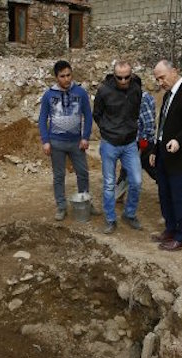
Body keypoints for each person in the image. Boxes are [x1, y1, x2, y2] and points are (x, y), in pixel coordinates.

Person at [149, 59, 182, 251]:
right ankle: (170, 229)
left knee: (178, 196)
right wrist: (155, 150)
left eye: (162, 77)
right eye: (157, 79)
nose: (160, 82)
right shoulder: (167, 96)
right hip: (164, 154)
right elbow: (162, 127)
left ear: (174, 72)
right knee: (164, 194)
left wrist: (178, 140)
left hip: (180, 156)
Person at [38, 60, 96, 221]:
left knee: (83, 173)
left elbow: (88, 116)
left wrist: (85, 137)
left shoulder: (81, 93)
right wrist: (45, 141)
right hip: (56, 142)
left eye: (69, 75)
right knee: (58, 176)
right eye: (62, 76)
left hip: (76, 142)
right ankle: (61, 206)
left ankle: (85, 202)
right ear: (56, 77)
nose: (66, 79)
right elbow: (42, 119)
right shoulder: (49, 95)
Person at [93, 60, 144, 234]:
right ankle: (110, 219)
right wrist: (108, 129)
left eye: (126, 77)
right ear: (113, 75)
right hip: (110, 144)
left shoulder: (136, 88)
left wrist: (130, 127)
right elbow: (97, 114)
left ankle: (129, 214)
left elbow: (136, 110)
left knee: (136, 181)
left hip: (130, 143)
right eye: (119, 78)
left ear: (132, 75)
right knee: (108, 184)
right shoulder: (104, 91)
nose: (123, 81)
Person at [116, 89, 157, 201]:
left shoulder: (141, 99)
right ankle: (119, 193)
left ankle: (167, 190)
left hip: (142, 142)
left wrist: (144, 142)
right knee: (126, 168)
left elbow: (149, 123)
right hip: (134, 141)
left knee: (152, 168)